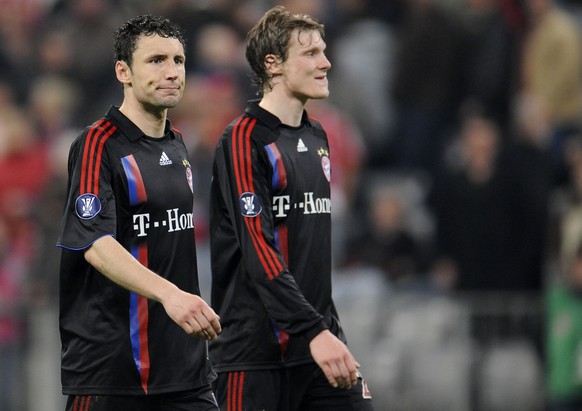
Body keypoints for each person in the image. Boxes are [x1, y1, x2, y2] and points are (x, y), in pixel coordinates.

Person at [208, 6, 373, 411]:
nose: (326, 61)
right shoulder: (243, 140)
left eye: (323, 50)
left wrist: (322, 330)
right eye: (311, 53)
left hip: (317, 344)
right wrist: (314, 331)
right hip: (255, 357)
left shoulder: (318, 136)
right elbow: (260, 252)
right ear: (273, 64)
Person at [56, 15, 221, 411]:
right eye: (156, 60)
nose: (172, 72)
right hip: (114, 373)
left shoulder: (178, 144)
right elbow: (95, 244)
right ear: (123, 71)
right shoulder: (98, 144)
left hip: (184, 370)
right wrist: (170, 295)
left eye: (179, 61)